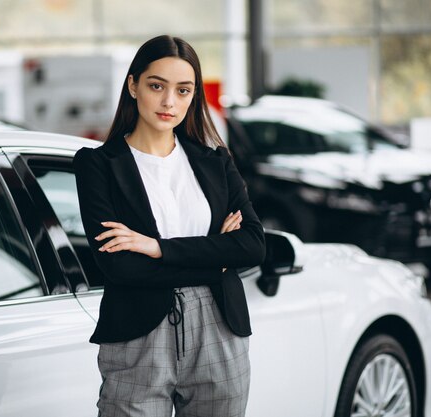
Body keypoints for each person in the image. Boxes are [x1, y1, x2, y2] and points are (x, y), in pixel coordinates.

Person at [73, 34, 266, 417]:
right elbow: (119, 266)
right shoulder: (98, 165)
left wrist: (156, 247)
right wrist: (217, 258)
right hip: (137, 335)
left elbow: (253, 245)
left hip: (219, 331)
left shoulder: (216, 162)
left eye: (183, 90)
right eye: (156, 86)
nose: (169, 102)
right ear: (133, 85)